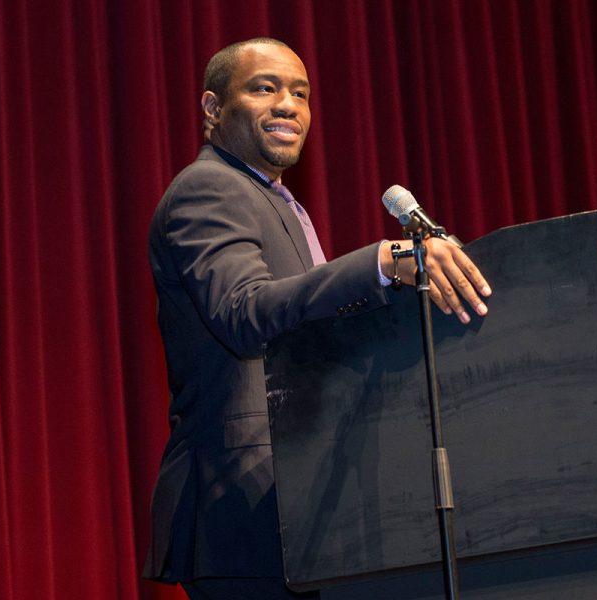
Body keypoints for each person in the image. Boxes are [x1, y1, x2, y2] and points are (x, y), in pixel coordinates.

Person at [142, 37, 491, 600]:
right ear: (212, 109)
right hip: (244, 503)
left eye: (300, 93)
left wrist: (404, 295)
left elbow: (310, 333)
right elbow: (244, 310)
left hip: (305, 499)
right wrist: (380, 263)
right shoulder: (207, 189)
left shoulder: (278, 203)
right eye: (265, 88)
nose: (288, 105)